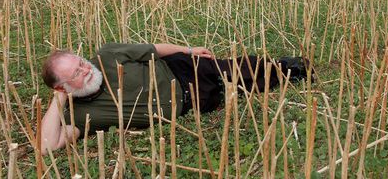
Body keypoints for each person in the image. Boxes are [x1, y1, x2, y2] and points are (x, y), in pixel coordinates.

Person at [40, 43, 306, 152]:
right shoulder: (82, 115)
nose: (87, 69)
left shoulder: (108, 54)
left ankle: (291, 67)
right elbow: (48, 147)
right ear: (62, 88)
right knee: (240, 89)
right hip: (192, 104)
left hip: (181, 70)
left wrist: (188, 49)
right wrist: (57, 102)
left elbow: (153, 49)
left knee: (241, 70)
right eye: (76, 72)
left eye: (82, 62)